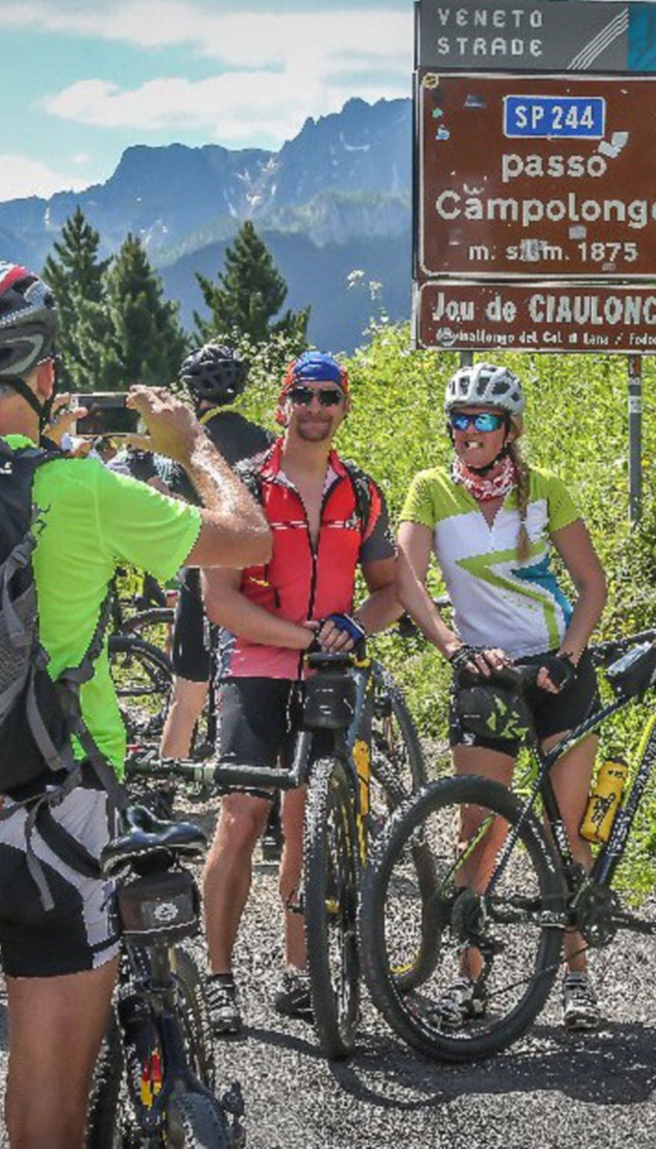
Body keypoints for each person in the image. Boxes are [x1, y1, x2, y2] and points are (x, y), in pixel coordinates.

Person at [0, 260, 267, 1149]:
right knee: (45, 1126)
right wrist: (191, 442)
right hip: (58, 817)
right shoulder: (81, 490)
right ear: (44, 374)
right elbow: (249, 536)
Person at [395, 363, 610, 1031]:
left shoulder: (543, 490)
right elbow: (407, 580)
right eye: (457, 418)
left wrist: (569, 659)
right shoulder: (430, 490)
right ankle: (472, 978)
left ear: (508, 429)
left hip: (556, 672)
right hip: (483, 673)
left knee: (567, 828)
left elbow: (592, 583)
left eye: (482, 420)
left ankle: (576, 975)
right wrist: (454, 648)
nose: (467, 431)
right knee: (477, 832)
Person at [197, 350, 402, 1035]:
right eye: (303, 396)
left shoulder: (362, 491)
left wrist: (350, 626)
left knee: (304, 824)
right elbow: (219, 599)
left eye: (328, 397)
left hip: (329, 675)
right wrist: (297, 635)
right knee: (240, 820)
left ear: (344, 407)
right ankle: (219, 977)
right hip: (256, 670)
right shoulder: (245, 485)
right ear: (282, 404)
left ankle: (298, 971)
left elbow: (391, 590)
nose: (315, 408)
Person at [157, 342, 272, 761]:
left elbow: (169, 501)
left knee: (185, 698)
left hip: (201, 571)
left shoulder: (187, 445)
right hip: (257, 577)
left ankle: (166, 794)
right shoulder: (265, 440)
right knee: (260, 686)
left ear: (192, 392)